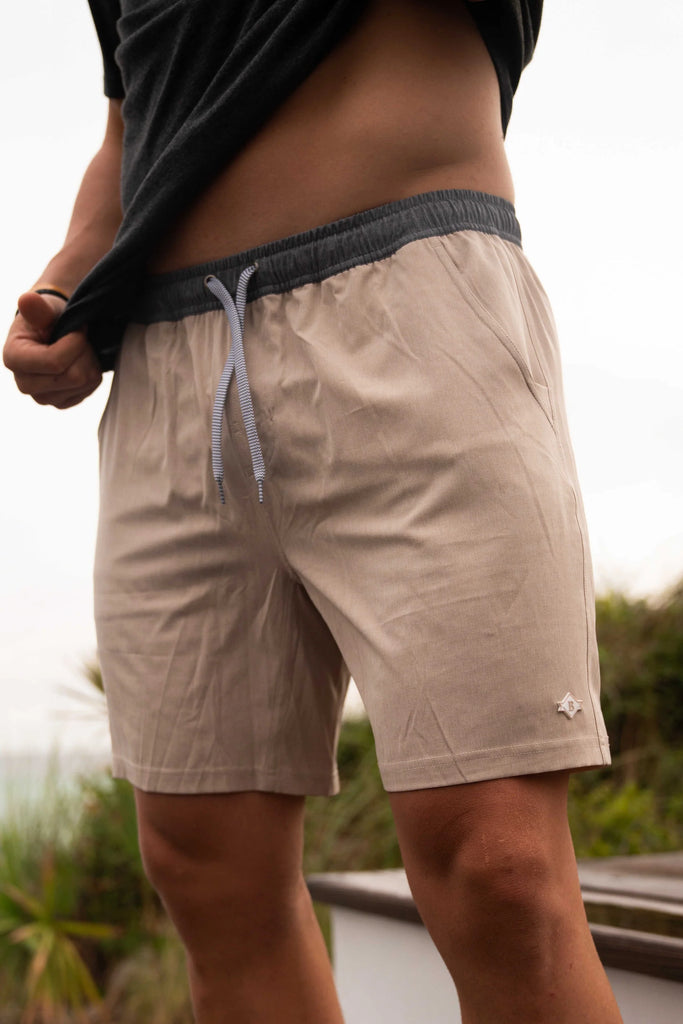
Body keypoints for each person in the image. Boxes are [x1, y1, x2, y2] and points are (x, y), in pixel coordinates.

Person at [4, 1, 624, 1021]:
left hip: (413, 309)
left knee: (498, 867)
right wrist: (70, 278)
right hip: (167, 369)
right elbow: (133, 124)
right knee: (207, 870)